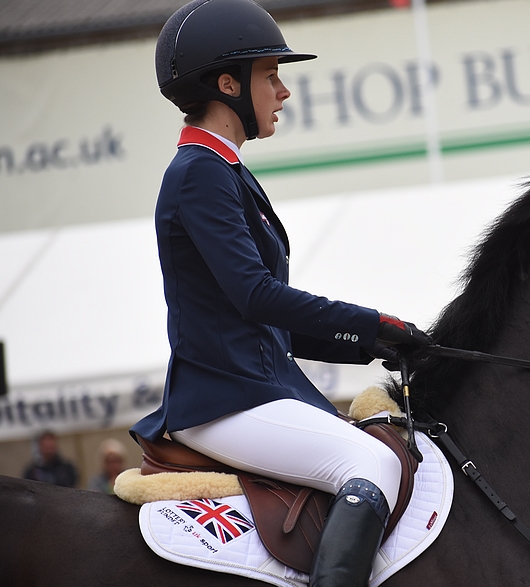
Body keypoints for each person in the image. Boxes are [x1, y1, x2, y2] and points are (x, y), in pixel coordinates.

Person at [129, 2, 431, 585]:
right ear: (227, 84)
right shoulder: (199, 171)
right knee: (368, 464)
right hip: (224, 397)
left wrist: (378, 345)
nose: (283, 91)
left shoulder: (226, 171)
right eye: (271, 76)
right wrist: (375, 321)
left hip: (256, 386)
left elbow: (274, 328)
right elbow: (256, 296)